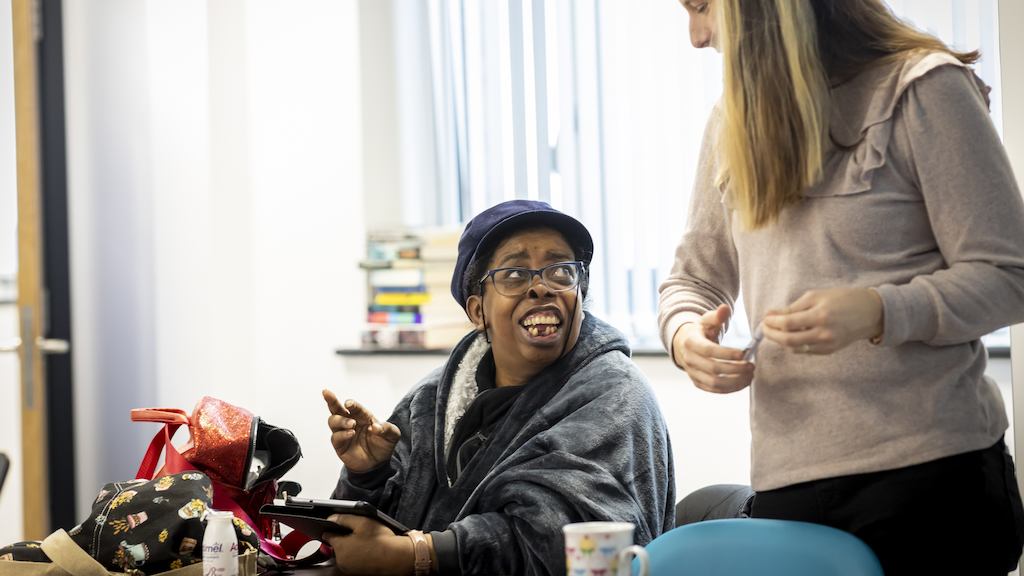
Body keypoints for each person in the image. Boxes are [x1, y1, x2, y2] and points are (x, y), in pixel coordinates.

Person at [660, 0, 1024, 573]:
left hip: (933, 487)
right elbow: (693, 279)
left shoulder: (923, 89)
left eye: (701, 7)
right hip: (792, 489)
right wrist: (686, 339)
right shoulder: (733, 121)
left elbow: (1010, 276)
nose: (697, 37)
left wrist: (880, 311)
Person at [323, 200, 675, 575]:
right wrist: (368, 475)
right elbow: (364, 542)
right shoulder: (431, 399)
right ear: (478, 311)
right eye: (514, 274)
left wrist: (420, 554)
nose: (541, 288)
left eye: (560, 271)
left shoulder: (615, 394)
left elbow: (569, 536)